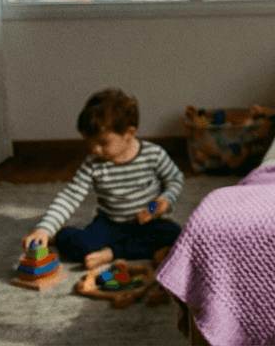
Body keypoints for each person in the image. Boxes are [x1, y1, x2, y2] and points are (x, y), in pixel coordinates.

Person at [21, 88, 185, 269]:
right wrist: (45, 228)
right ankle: (63, 234)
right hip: (111, 224)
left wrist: (164, 200)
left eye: (102, 143)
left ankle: (112, 253)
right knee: (79, 246)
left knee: (177, 235)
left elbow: (175, 180)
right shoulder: (93, 163)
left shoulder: (153, 154)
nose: (94, 149)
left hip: (148, 224)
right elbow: (70, 196)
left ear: (129, 134)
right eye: (89, 142)